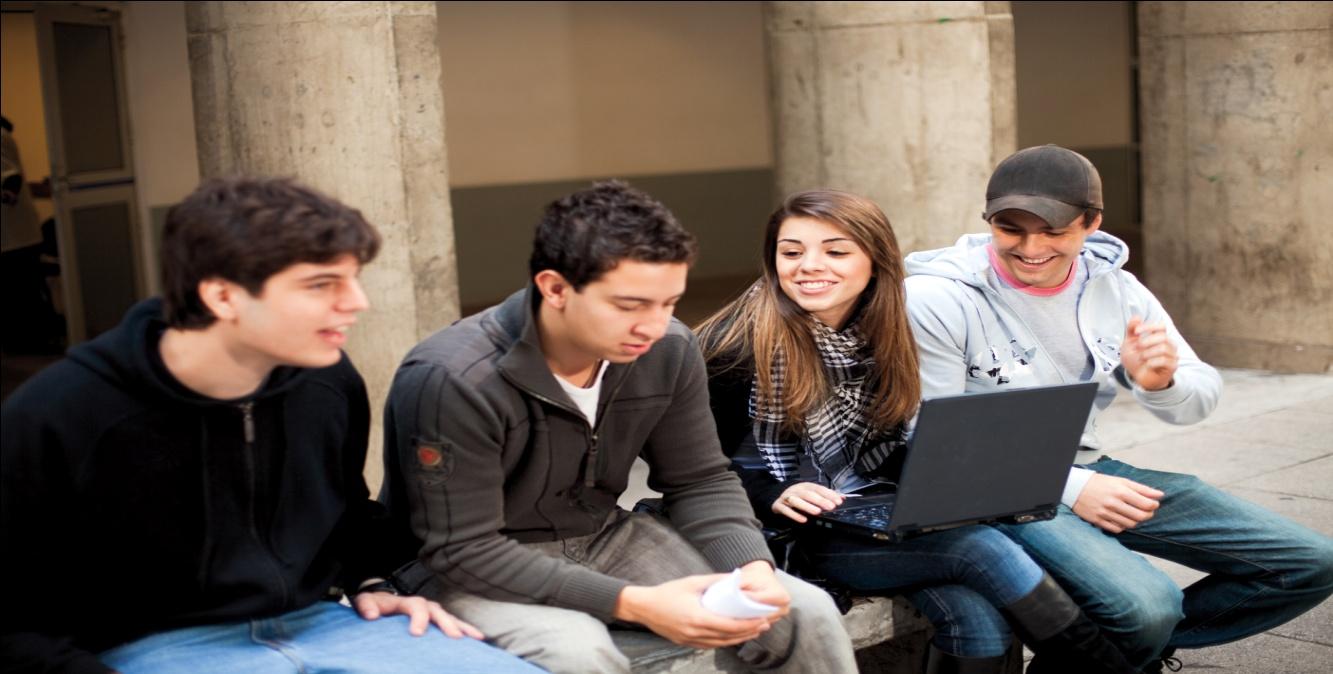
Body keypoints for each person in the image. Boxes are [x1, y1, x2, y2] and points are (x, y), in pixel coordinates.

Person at [0, 177, 536, 674]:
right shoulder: (58, 414)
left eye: (353, 279)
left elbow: (345, 510)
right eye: (321, 284)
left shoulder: (324, 381)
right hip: (153, 644)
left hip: (323, 624)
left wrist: (371, 578)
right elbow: (16, 620)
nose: (357, 303)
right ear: (222, 295)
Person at [380, 180, 856, 673]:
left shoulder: (667, 348)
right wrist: (633, 602)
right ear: (555, 289)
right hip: (471, 567)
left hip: (604, 538)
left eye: (669, 303)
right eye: (630, 306)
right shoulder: (454, 378)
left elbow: (700, 480)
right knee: (578, 652)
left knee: (802, 610)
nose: (653, 326)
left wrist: (751, 566)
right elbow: (463, 550)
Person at [903, 145, 1333, 671]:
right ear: (989, 220)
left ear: (1091, 223)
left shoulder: (1116, 287)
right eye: (1010, 228)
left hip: (1088, 466)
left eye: (1054, 231)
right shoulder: (935, 298)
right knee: (1146, 607)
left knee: (1309, 562)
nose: (1030, 247)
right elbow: (933, 437)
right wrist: (1074, 489)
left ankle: (1107, 656)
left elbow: (1195, 400)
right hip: (990, 492)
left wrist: (1161, 381)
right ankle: (1127, 650)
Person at [696, 189, 1137, 674]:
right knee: (981, 549)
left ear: (875, 261)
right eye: (792, 252)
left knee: (979, 615)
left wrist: (950, 474)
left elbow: (893, 441)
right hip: (790, 533)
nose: (808, 266)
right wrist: (776, 492)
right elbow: (698, 471)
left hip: (874, 507)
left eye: (836, 251)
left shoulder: (887, 328)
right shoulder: (735, 347)